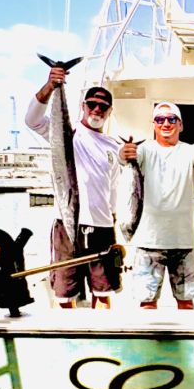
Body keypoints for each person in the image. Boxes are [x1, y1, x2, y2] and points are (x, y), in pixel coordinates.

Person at [25, 68, 121, 308]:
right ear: (83, 106)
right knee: (65, 292)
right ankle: (68, 330)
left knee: (103, 291)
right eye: (92, 104)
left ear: (109, 111)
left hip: (102, 227)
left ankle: (102, 330)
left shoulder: (114, 145)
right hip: (66, 225)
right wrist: (51, 85)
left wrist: (113, 214)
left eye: (103, 106)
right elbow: (32, 120)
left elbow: (113, 186)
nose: (97, 109)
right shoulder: (67, 133)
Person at [120, 102, 194, 309]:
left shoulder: (191, 151)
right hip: (148, 242)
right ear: (154, 124)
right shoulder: (144, 150)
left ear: (181, 125)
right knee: (147, 303)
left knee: (186, 303)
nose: (166, 123)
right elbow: (126, 157)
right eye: (160, 119)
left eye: (171, 119)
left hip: (182, 242)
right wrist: (125, 153)